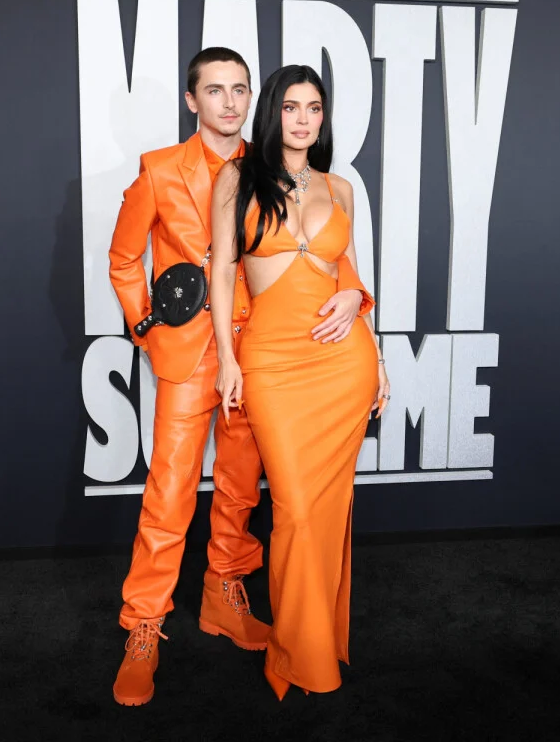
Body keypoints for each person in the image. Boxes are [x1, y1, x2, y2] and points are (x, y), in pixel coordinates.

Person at [106, 49, 370, 707]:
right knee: (170, 493)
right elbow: (123, 259)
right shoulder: (159, 170)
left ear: (254, 99)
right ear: (191, 100)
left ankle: (224, 594)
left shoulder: (273, 164)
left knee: (240, 490)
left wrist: (355, 294)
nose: (229, 102)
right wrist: (149, 328)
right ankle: (143, 626)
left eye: (240, 90)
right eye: (215, 90)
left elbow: (329, 251)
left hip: (265, 358)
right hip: (193, 357)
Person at [209, 64, 390, 699]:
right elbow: (222, 270)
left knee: (327, 510)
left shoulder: (341, 188)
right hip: (273, 364)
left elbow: (351, 272)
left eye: (314, 108)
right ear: (272, 113)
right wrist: (227, 360)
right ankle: (296, 649)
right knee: (293, 509)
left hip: (344, 365)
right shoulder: (237, 177)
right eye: (291, 107)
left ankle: (307, 648)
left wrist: (372, 337)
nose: (304, 119)